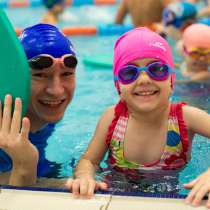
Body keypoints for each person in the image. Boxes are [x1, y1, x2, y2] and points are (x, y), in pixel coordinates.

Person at [66, 27, 210, 208]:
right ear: (118, 87)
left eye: (157, 69)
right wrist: (85, 176)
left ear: (172, 80)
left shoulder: (186, 118)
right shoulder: (112, 118)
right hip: (116, 196)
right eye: (129, 73)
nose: (143, 79)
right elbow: (89, 160)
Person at [0, 23, 78, 186]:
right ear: (17, 77)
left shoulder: (44, 113)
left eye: (66, 74)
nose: (56, 91)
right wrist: (26, 164)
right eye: (40, 75)